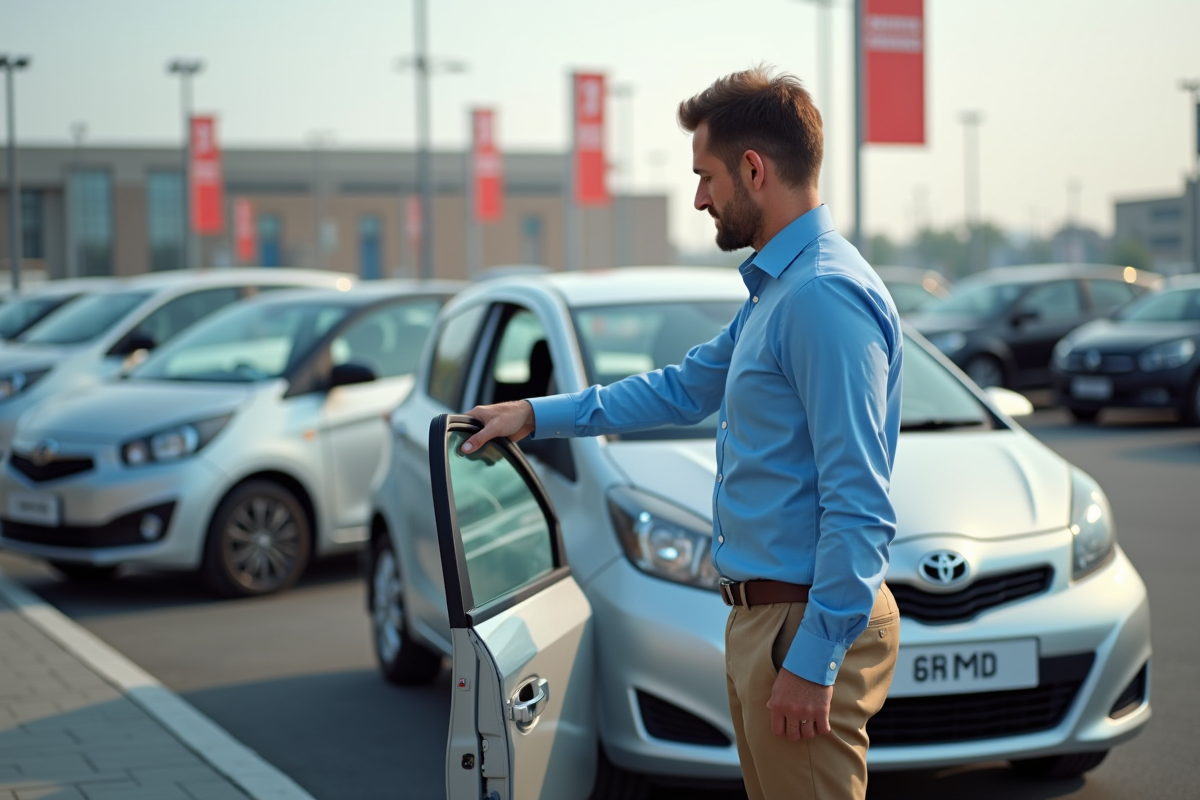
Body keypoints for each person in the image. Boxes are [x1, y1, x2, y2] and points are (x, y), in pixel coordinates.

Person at [459, 66, 902, 800]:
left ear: (753, 171)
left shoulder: (822, 295)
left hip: (800, 621)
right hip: (769, 620)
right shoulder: (783, 290)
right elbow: (683, 387)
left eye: (706, 177)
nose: (699, 198)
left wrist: (813, 659)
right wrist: (536, 415)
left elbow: (860, 500)